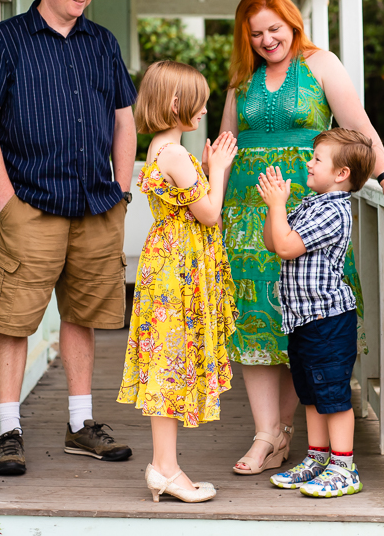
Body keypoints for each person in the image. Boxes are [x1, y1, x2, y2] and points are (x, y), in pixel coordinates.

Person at [0, 0, 137, 477]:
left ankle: (82, 425)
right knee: (13, 319)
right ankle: (9, 430)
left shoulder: (102, 43)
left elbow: (124, 119)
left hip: (95, 203)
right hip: (31, 205)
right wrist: (6, 198)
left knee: (83, 316)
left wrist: (123, 189)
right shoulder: (4, 40)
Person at [219, 0, 384, 474]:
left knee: (300, 321)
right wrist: (207, 200)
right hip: (248, 214)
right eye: (255, 33)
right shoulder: (242, 77)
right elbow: (225, 144)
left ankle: (296, 433)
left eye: (274, 29)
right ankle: (267, 437)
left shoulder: (320, 64)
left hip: (309, 207)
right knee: (254, 325)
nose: (266, 40)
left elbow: (357, 126)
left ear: (292, 23)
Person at [118, 61, 239, 503]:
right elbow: (209, 212)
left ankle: (165, 466)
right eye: (199, 101)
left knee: (166, 360)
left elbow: (191, 200)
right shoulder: (174, 155)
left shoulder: (159, 149)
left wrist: (204, 167)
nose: (205, 108)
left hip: (167, 261)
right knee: (170, 361)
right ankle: (165, 468)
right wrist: (219, 168)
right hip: (177, 269)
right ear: (175, 103)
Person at [258, 128, 376, 497]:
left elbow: (289, 248)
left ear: (341, 174)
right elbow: (273, 241)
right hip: (304, 320)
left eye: (317, 159)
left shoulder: (334, 211)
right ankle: (317, 458)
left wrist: (279, 207)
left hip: (328, 320)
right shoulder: (312, 203)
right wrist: (272, 208)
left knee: (333, 396)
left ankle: (344, 468)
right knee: (310, 392)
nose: (309, 163)